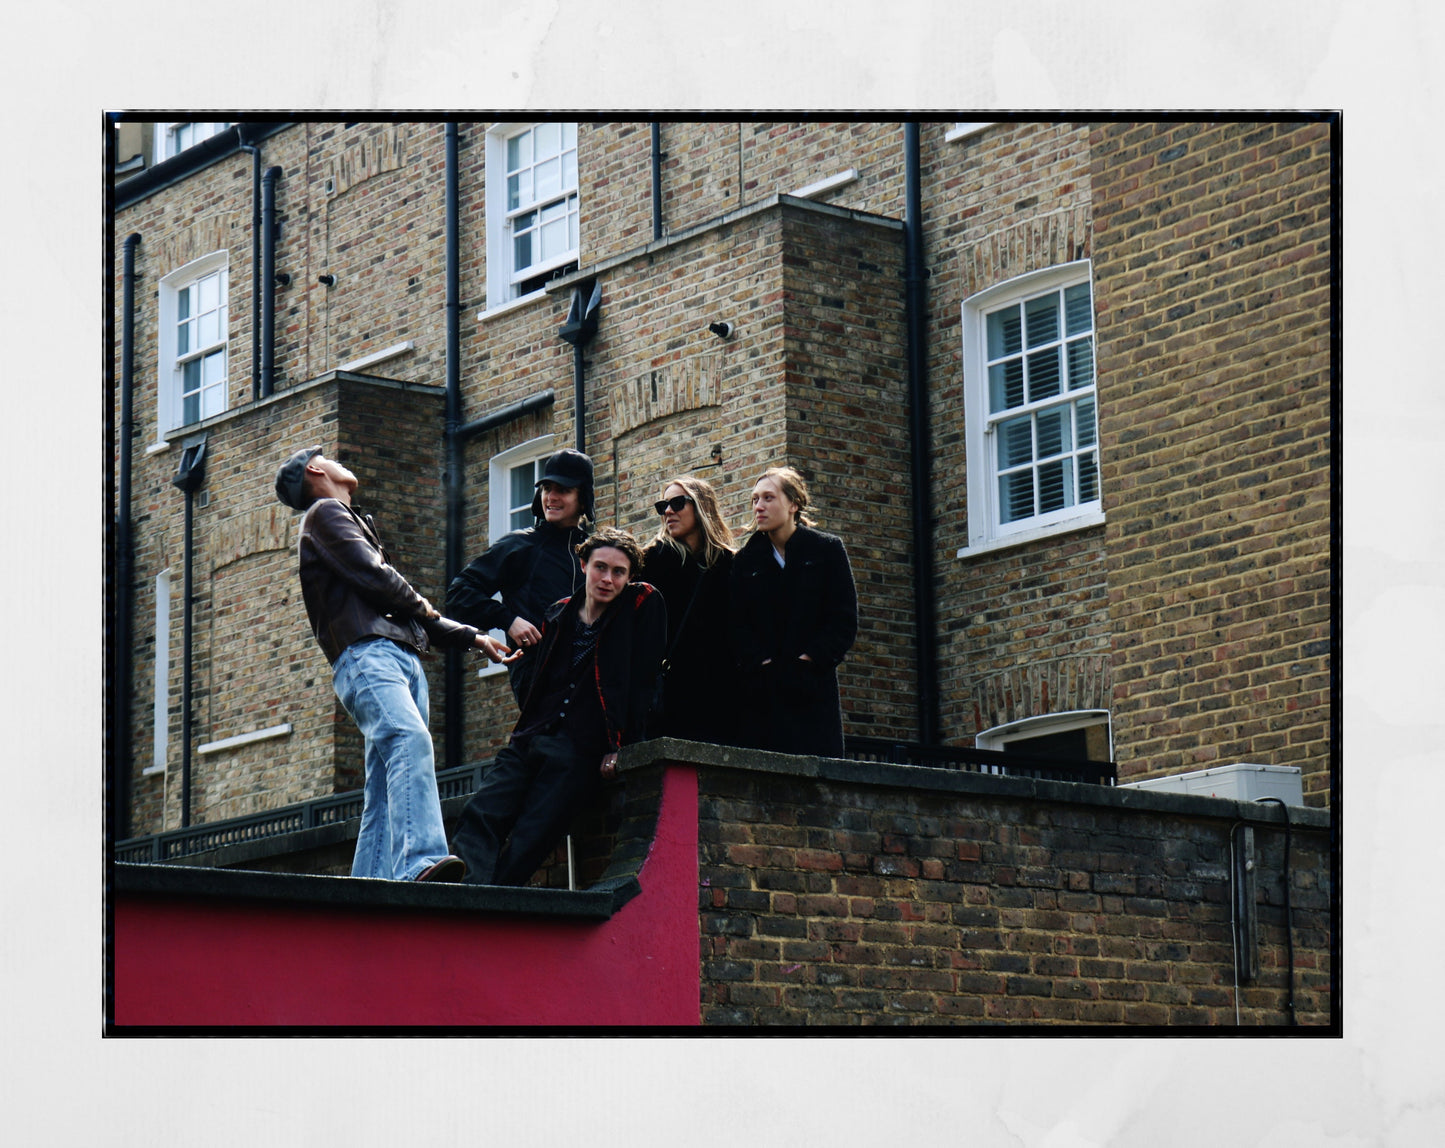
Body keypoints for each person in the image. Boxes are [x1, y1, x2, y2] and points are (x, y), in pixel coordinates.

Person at [275, 445, 518, 883]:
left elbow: (399, 604)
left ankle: (368, 886)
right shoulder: (325, 514)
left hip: (395, 659)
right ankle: (420, 861)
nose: (338, 461)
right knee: (409, 740)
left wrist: (473, 637)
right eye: (327, 457)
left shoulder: (345, 519)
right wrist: (426, 608)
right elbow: (380, 580)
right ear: (315, 470)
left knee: (387, 787)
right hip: (369, 656)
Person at [450, 527, 667, 887]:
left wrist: (622, 745)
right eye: (600, 567)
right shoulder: (558, 613)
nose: (607, 579)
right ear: (583, 565)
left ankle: (492, 907)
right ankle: (467, 898)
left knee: (533, 836)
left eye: (619, 572)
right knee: (480, 814)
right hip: (532, 736)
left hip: (580, 748)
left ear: (630, 578)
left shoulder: (641, 605)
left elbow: (643, 683)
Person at [447, 448, 594, 706]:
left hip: (592, 676)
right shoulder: (519, 546)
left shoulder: (597, 553)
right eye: (547, 488)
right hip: (539, 679)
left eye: (563, 490)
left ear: (583, 499)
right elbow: (459, 594)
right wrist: (508, 620)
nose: (552, 497)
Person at [730, 466, 858, 757]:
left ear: (793, 504)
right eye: (754, 499)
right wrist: (761, 663)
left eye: (768, 498)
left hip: (813, 690)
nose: (758, 506)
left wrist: (809, 659)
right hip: (763, 696)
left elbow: (843, 618)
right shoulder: (745, 561)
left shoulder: (826, 550)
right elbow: (736, 625)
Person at [639, 476, 738, 744]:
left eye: (678, 503)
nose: (668, 511)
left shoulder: (730, 564)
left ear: (702, 507)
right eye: (663, 506)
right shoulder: (649, 562)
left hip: (720, 696)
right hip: (668, 696)